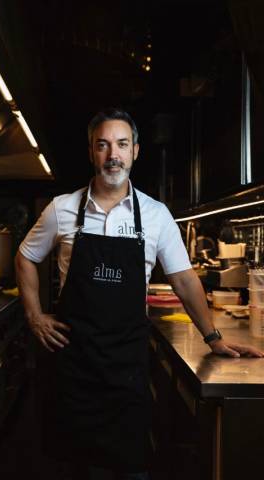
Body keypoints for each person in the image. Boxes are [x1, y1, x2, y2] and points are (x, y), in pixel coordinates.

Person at [14, 108, 264, 480]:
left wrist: (213, 337)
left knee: (131, 467)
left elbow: (185, 280)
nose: (112, 154)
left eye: (121, 144)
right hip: (74, 365)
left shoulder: (156, 215)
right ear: (91, 152)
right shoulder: (62, 209)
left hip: (124, 369)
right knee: (75, 469)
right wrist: (34, 315)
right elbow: (25, 257)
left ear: (135, 152)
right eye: (103, 145)